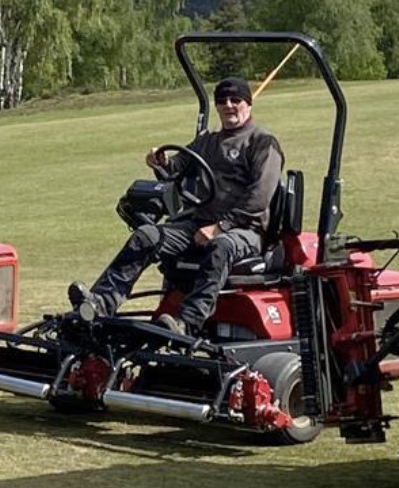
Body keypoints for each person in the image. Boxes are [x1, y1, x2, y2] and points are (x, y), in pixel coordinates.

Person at [69, 76, 283, 336]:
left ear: (248, 104)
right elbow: (178, 166)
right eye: (222, 101)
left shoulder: (262, 143)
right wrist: (161, 162)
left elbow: (258, 198)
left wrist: (220, 227)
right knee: (147, 235)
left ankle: (187, 323)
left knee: (220, 247)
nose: (229, 106)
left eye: (235, 100)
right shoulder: (208, 140)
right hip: (199, 223)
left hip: (244, 229)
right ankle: (102, 302)